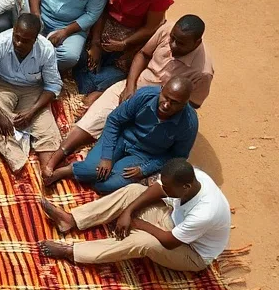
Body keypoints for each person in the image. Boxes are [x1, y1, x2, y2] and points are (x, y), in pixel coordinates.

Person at [43, 15, 212, 173]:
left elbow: (193, 105)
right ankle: (56, 157)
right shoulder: (167, 30)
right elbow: (143, 54)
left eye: (180, 43)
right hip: (134, 88)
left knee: (123, 153)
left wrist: (157, 116)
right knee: (93, 120)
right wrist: (130, 86)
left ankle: (80, 168)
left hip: (159, 109)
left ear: (197, 42)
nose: (173, 45)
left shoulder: (203, 72)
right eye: (172, 39)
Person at [38, 158, 230, 273]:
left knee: (144, 242)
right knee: (133, 191)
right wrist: (127, 212)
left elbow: (170, 242)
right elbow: (157, 189)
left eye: (169, 189)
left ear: (186, 187)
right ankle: (71, 220)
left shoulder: (205, 212)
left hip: (190, 252)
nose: (165, 190)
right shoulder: (193, 178)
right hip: (172, 221)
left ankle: (74, 252)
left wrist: (137, 222)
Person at [44, 78, 197, 193]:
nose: (166, 104)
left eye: (174, 102)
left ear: (185, 104)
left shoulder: (189, 124)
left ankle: (87, 173)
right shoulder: (146, 95)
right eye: (165, 97)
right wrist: (106, 157)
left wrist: (145, 169)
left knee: (103, 184)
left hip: (144, 155)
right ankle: (66, 171)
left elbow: (177, 157)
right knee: (95, 170)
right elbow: (114, 120)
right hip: (122, 137)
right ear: (161, 88)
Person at [74, 0, 174, 98]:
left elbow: (151, 27)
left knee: (119, 69)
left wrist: (125, 43)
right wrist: (95, 43)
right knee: (80, 56)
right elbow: (100, 8)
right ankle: (92, 79)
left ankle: (96, 85)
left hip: (133, 36)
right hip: (104, 25)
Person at [0, 13, 63, 173]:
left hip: (32, 90)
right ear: (13, 31)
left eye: (25, 41)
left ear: (35, 39)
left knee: (48, 131)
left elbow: (53, 85)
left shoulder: (46, 49)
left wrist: (32, 112)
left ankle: (47, 171)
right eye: (16, 37)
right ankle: (19, 161)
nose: (18, 43)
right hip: (2, 86)